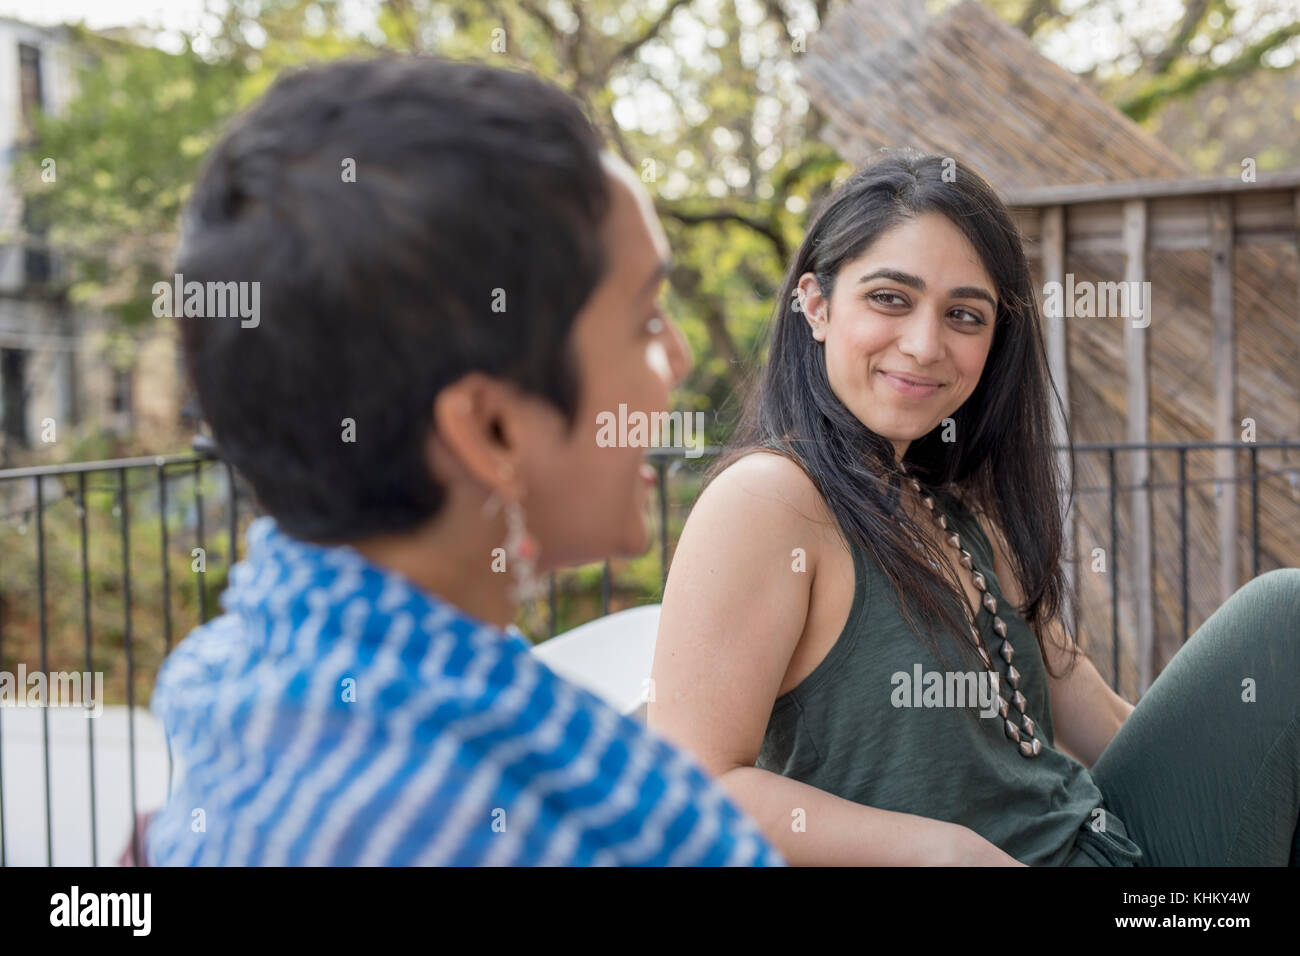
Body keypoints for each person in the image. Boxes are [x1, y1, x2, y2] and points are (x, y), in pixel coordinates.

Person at [144, 56, 784, 867]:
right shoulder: (575, 831)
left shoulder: (229, 677)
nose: (683, 356)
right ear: (492, 432)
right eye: (646, 320)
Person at [649, 151, 1300, 866]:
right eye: (890, 298)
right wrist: (941, 852)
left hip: (1119, 848)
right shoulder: (767, 500)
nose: (926, 345)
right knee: (1285, 611)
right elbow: (693, 786)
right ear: (817, 303)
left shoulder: (955, 511)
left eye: (964, 315)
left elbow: (1103, 716)